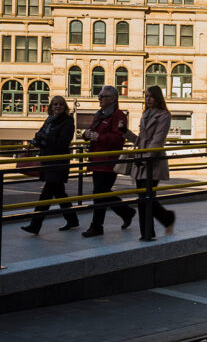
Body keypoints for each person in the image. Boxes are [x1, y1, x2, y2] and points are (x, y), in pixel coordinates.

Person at [79, 85, 137, 238]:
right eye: (99, 96)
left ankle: (97, 226)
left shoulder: (118, 116)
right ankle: (127, 212)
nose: (99, 99)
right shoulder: (100, 114)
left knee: (99, 193)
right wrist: (86, 134)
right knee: (102, 193)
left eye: (103, 96)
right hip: (97, 160)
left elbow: (118, 139)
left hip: (109, 161)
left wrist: (99, 137)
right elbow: (93, 131)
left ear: (112, 99)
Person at [20, 95, 78, 234]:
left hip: (57, 163)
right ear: (51, 106)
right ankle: (72, 219)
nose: (58, 106)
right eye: (55, 104)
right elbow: (40, 135)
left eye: (61, 104)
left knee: (46, 195)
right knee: (59, 193)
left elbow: (62, 143)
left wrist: (45, 137)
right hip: (48, 161)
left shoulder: (68, 122)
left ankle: (35, 225)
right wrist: (39, 139)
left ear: (65, 107)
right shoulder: (49, 120)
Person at [123, 84, 175, 237]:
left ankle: (149, 232)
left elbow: (158, 140)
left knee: (147, 198)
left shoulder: (164, 115)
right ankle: (155, 226)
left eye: (151, 96)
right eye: (146, 96)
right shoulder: (145, 114)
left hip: (153, 161)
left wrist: (146, 159)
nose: (148, 99)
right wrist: (125, 133)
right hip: (142, 159)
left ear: (158, 98)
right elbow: (141, 140)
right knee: (143, 199)